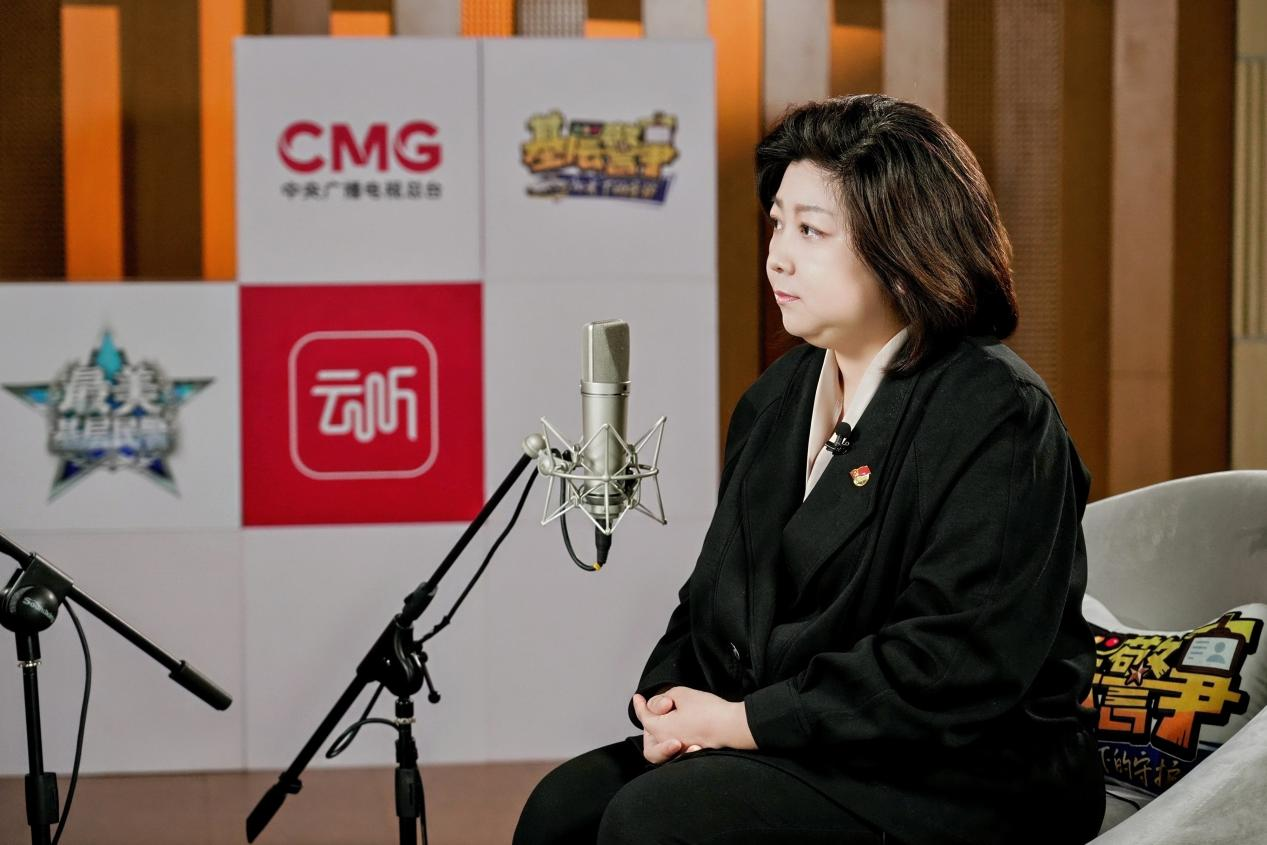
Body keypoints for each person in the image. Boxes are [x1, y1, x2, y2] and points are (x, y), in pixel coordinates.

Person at [513, 94, 1106, 845]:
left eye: (810, 231)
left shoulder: (997, 411)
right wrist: (670, 701)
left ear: (902, 245)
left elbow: (955, 663)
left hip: (967, 769)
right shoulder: (776, 397)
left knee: (657, 819)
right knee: (561, 810)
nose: (777, 257)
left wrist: (743, 722)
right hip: (806, 738)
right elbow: (713, 598)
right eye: (777, 225)